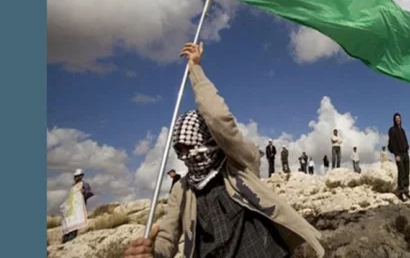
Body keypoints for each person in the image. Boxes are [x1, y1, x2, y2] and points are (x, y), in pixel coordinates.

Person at [123, 43, 324, 258]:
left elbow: (218, 119)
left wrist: (195, 70)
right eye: (181, 149)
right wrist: (152, 253)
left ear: (210, 138)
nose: (188, 155)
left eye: (192, 145)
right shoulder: (182, 189)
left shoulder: (238, 165)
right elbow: (167, 237)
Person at [61, 169, 94, 244]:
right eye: (75, 176)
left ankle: (70, 242)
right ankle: (65, 242)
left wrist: (84, 193)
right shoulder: (73, 187)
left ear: (81, 176)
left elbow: (89, 193)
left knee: (74, 225)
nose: (76, 178)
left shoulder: (84, 184)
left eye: (78, 176)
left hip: (78, 208)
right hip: (71, 209)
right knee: (68, 225)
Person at [388, 112, 410, 201]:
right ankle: (401, 192)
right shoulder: (392, 130)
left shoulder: (402, 130)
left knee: (407, 172)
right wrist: (396, 154)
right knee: (401, 172)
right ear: (394, 120)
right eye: (396, 118)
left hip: (405, 153)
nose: (398, 120)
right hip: (399, 154)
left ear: (401, 119)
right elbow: (392, 143)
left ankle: (406, 190)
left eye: (399, 118)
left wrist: (407, 147)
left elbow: (405, 140)